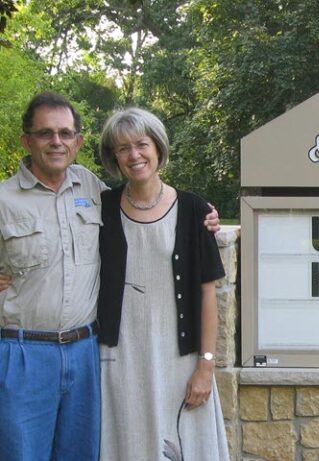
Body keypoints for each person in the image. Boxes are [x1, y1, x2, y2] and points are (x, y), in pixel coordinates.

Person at [0, 92, 219, 461]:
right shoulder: (8, 200)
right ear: (27, 140)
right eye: (45, 133)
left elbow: (202, 284)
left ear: (78, 142)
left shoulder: (92, 190)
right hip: (28, 354)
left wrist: (206, 216)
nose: (57, 141)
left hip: (86, 353)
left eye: (66, 133)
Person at [97, 107, 229, 460]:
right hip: (119, 361)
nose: (134, 155)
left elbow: (206, 293)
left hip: (180, 361)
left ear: (157, 147)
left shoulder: (194, 210)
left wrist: (206, 365)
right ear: (114, 158)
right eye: (122, 148)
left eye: (141, 144)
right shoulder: (100, 208)